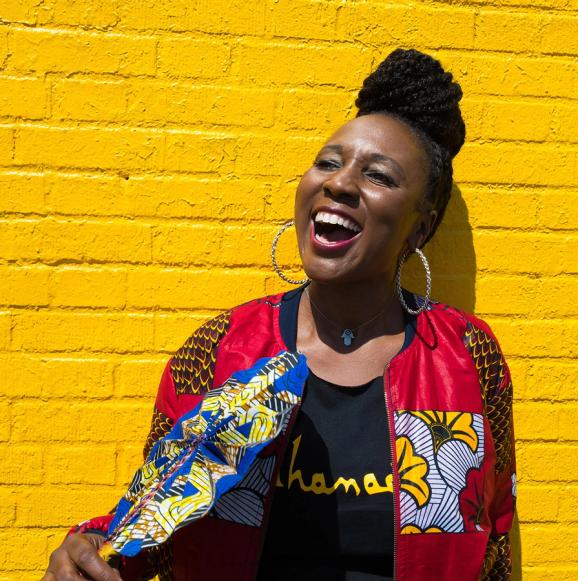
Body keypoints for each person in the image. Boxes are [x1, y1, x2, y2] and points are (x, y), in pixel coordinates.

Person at [43, 48, 516, 581]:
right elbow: (158, 516)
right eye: (328, 162)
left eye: (378, 175)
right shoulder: (220, 349)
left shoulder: (466, 355)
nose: (339, 183)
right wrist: (93, 551)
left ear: (420, 229)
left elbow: (493, 539)